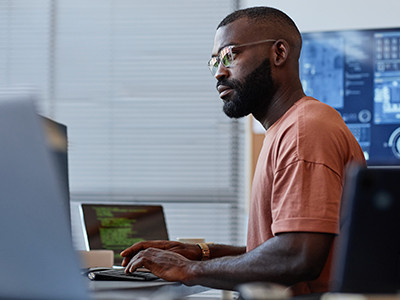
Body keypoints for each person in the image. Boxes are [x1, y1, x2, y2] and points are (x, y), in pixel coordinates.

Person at [120, 6, 366, 295]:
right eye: (214, 63)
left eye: (230, 55)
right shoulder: (289, 128)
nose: (219, 73)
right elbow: (276, 247)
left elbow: (296, 256)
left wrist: (188, 270)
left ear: (279, 54)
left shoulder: (304, 132)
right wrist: (202, 253)